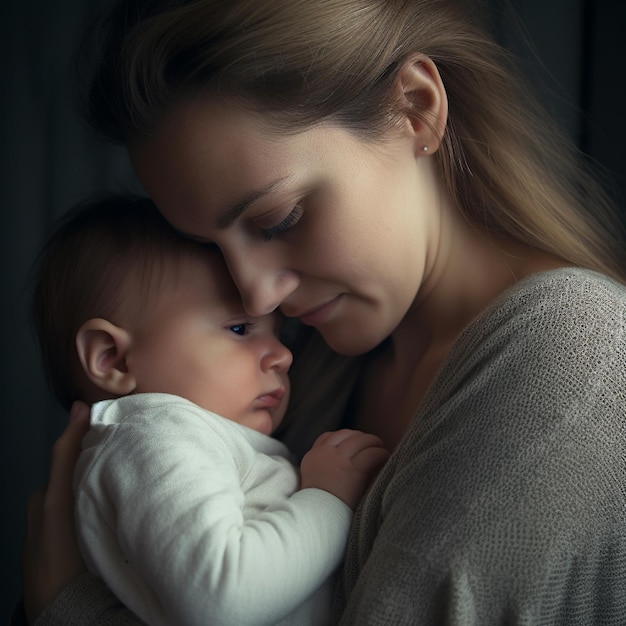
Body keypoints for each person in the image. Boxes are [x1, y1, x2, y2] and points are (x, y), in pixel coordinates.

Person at [19, 0, 626, 623]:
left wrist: (69, 606)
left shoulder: (574, 355)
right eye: (209, 249)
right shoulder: (309, 363)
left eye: (279, 219)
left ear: (415, 109)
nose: (257, 298)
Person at [25, 195, 388, 626]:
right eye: (239, 329)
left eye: (279, 332)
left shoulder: (194, 439)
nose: (282, 356)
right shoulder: (153, 438)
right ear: (114, 360)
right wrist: (328, 498)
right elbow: (220, 598)